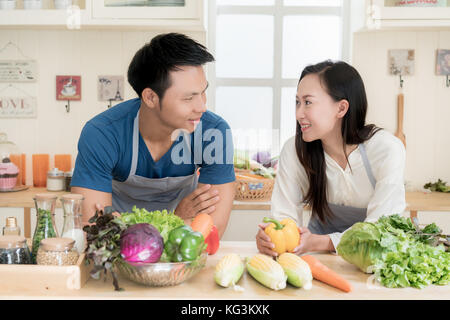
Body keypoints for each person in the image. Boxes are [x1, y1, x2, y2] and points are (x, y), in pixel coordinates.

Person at [71, 33, 236, 238]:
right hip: (121, 260)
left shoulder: (213, 132)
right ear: (150, 97)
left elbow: (212, 229)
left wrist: (121, 227)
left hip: (182, 256)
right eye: (188, 98)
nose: (202, 107)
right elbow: (94, 230)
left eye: (203, 92)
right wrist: (177, 218)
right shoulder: (103, 134)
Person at [256, 60, 406, 256]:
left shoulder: (386, 149)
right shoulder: (295, 150)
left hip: (374, 260)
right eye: (297, 102)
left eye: (308, 102)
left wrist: (323, 242)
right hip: (318, 257)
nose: (298, 113)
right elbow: (285, 216)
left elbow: (380, 231)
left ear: (341, 108)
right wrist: (274, 238)